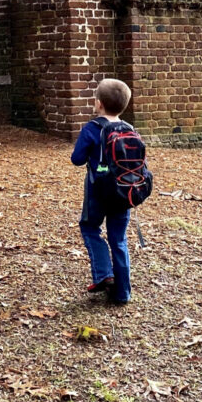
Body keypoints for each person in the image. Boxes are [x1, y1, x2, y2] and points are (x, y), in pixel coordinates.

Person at [70, 78, 133, 305]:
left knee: (89, 227)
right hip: (123, 193)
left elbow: (76, 159)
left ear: (98, 104)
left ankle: (104, 274)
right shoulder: (129, 129)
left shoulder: (92, 128)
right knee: (119, 239)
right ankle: (123, 293)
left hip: (97, 191)